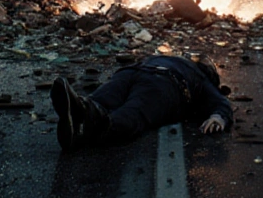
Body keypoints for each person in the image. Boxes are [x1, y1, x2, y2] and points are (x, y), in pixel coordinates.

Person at [50, 55, 232, 151]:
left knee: (104, 99)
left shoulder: (175, 61)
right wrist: (218, 117)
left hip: (131, 72)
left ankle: (80, 111)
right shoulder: (200, 78)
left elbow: (220, 103)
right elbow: (221, 103)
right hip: (164, 83)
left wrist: (219, 115)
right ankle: (96, 126)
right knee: (135, 112)